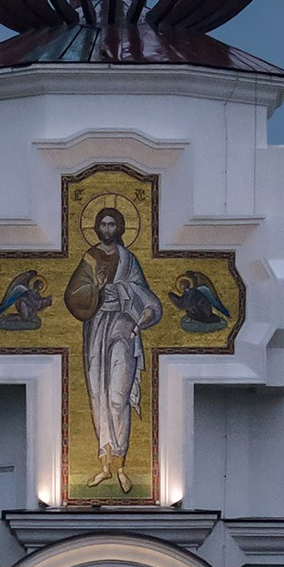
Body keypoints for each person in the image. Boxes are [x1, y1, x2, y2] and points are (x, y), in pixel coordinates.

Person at [63, 206, 161, 495]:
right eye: (102, 224)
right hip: (96, 329)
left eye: (112, 224)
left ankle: (121, 464)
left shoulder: (129, 259)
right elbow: (73, 294)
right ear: (97, 228)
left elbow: (143, 293)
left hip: (123, 327)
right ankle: (105, 465)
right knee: (99, 394)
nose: (107, 229)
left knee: (118, 396)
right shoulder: (90, 258)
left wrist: (121, 292)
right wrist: (95, 290)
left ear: (119, 228)